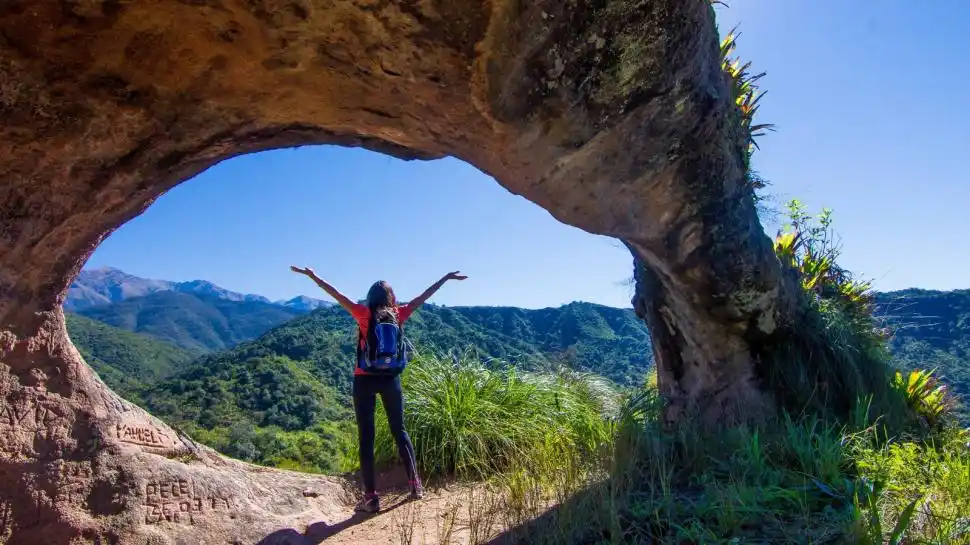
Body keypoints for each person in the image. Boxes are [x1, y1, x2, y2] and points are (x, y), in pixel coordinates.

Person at [290, 265, 468, 513]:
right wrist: (445, 278)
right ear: (391, 297)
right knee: (400, 430)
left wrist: (312, 275)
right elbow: (423, 296)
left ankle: (371, 498)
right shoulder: (399, 314)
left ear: (370, 297)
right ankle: (415, 485)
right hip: (391, 378)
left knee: (366, 436)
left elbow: (335, 293)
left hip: (364, 378)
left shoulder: (363, 313)